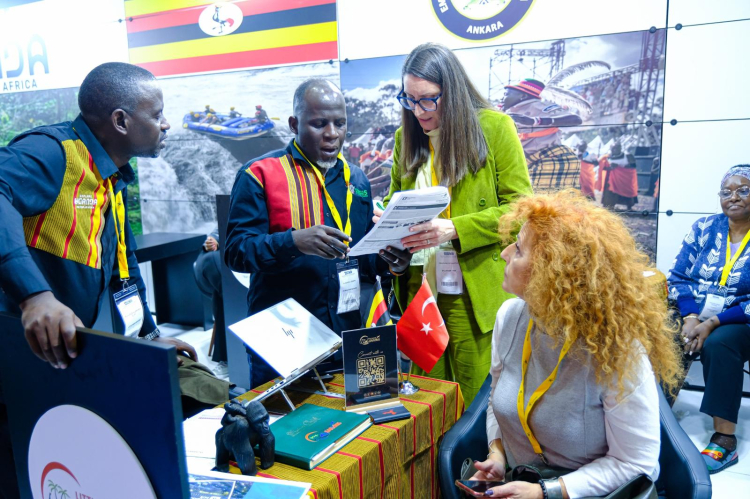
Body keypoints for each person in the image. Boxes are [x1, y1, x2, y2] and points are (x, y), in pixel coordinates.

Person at [0, 62, 197, 498]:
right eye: (157, 114)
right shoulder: (53, 153)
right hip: (12, 364)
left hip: (54, 360)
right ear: (121, 121)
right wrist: (35, 296)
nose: (165, 124)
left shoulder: (111, 177)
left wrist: (147, 338)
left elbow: (124, 270)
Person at [472, 190, 682, 499]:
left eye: (518, 249)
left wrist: (546, 492)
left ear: (550, 273)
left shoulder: (616, 349)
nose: (504, 254)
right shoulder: (510, 316)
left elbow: (637, 463)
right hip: (523, 482)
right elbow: (496, 398)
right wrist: (498, 455)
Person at [225, 79, 408, 387]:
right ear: (294, 124)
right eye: (319, 124)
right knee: (283, 417)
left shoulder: (356, 180)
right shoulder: (259, 174)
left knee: (356, 416)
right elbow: (236, 252)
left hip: (349, 333)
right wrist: (294, 242)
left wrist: (391, 262)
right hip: (284, 338)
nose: (332, 134)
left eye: (340, 123)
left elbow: (361, 258)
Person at [381, 43, 532, 405]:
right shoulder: (406, 137)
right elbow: (394, 200)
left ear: (453, 92)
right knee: (426, 400)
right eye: (410, 100)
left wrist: (455, 228)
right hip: (420, 285)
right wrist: (387, 228)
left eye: (428, 100)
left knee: (475, 400)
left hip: (471, 288)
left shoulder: (494, 128)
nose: (419, 111)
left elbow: (522, 210)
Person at [667, 165, 750, 474]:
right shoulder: (703, 227)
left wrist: (712, 323)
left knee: (720, 344)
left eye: (743, 190)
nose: (734, 197)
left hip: (740, 319)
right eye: (727, 192)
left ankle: (724, 439)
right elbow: (678, 277)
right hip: (696, 311)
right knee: (662, 331)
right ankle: (654, 417)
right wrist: (690, 316)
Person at [502, 78, 582, 194]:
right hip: (522, 161)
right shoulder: (510, 110)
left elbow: (575, 119)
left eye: (507, 94)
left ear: (523, 96)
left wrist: (536, 121)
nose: (503, 98)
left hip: (544, 160)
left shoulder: (540, 106)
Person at [193, 227, 228, 376]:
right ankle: (227, 357)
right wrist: (215, 240)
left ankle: (227, 357)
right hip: (213, 264)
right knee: (226, 287)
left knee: (225, 290)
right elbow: (221, 228)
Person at [601, 141, 638, 210]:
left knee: (627, 192)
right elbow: (602, 167)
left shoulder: (628, 156)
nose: (614, 150)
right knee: (611, 191)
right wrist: (610, 168)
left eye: (616, 148)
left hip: (625, 179)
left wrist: (622, 167)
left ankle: (629, 206)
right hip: (612, 179)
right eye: (613, 148)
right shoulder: (607, 157)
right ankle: (610, 205)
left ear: (620, 148)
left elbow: (634, 166)